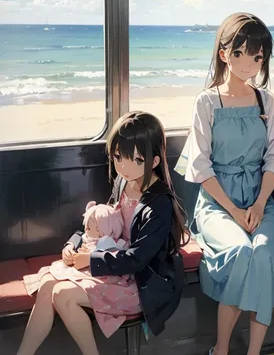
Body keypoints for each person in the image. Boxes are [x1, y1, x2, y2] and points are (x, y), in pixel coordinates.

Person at [18, 111, 188, 355]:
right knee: (47, 285)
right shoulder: (124, 182)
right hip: (114, 267)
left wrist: (91, 260)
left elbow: (138, 259)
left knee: (63, 295)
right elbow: (98, 219)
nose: (123, 166)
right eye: (118, 157)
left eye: (135, 159)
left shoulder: (158, 204)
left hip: (143, 284)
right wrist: (74, 244)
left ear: (154, 161)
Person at [182, 12, 274, 355]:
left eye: (258, 57)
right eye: (242, 53)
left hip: (261, 199)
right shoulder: (207, 101)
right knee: (243, 252)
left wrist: (258, 204)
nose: (251, 63)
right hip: (217, 204)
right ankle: (222, 349)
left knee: (261, 254)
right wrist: (232, 209)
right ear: (224, 53)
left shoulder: (266, 101)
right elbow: (200, 164)